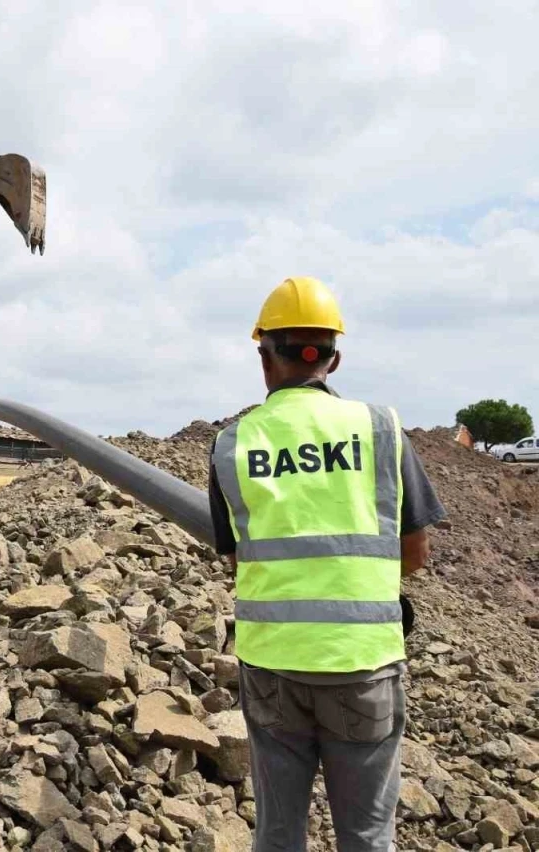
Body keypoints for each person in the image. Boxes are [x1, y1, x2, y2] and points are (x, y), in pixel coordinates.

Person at [208, 276, 446, 852]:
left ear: (265, 358)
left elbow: (239, 556)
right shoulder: (383, 430)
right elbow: (414, 553)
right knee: (366, 834)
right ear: (333, 359)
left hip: (271, 668)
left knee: (280, 831)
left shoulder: (232, 445)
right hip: (362, 664)